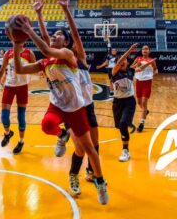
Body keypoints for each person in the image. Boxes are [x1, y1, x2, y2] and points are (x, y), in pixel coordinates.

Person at [10, 14, 109, 205]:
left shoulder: (68, 55)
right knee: (47, 125)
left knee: (88, 148)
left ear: (67, 42)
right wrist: (16, 45)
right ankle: (62, 135)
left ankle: (100, 180)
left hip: (76, 107)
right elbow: (20, 70)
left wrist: (29, 31)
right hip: (57, 105)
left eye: (58, 35)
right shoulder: (45, 62)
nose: (54, 36)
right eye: (53, 34)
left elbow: (46, 46)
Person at [33, 0, 101, 196]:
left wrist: (66, 9)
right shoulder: (59, 57)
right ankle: (73, 176)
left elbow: (76, 35)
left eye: (62, 35)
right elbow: (45, 40)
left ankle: (91, 172)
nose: (56, 37)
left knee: (95, 147)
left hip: (87, 107)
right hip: (73, 107)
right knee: (80, 149)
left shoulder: (79, 57)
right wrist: (39, 14)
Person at [0, 45, 36, 154]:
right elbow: (1, 70)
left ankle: (21, 141)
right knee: (4, 116)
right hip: (9, 86)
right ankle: (7, 133)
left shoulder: (29, 53)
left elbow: (37, 67)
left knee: (21, 117)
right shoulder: (8, 53)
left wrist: (42, 73)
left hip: (22, 86)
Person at [130, 45, 158, 132]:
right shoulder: (138, 59)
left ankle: (141, 123)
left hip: (147, 83)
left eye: (146, 49)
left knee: (144, 102)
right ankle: (145, 111)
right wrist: (136, 65)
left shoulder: (151, 60)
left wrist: (154, 74)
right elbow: (130, 68)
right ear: (141, 51)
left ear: (149, 51)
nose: (144, 50)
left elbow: (156, 70)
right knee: (139, 102)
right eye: (143, 49)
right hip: (138, 82)